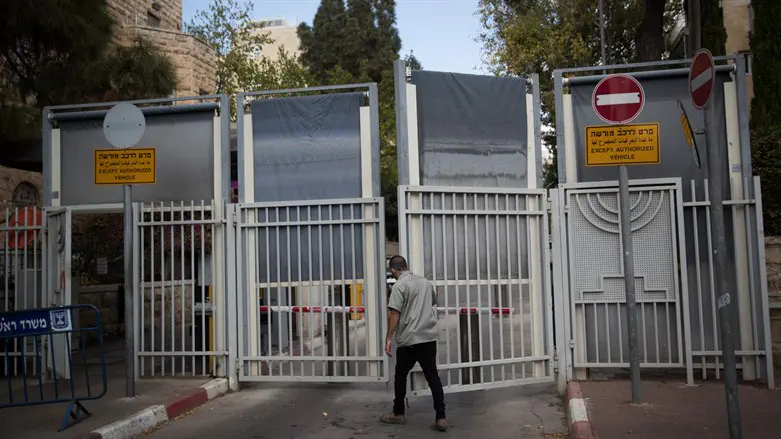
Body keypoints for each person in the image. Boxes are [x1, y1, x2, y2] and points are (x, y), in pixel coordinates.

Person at [379, 255, 447, 432]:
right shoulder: (425, 282)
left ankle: (398, 413)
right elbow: (432, 301)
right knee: (433, 377)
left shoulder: (399, 286)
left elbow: (394, 314)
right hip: (428, 337)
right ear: (406, 266)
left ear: (394, 270)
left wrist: (388, 338)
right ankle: (441, 417)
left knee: (400, 375)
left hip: (409, 339)